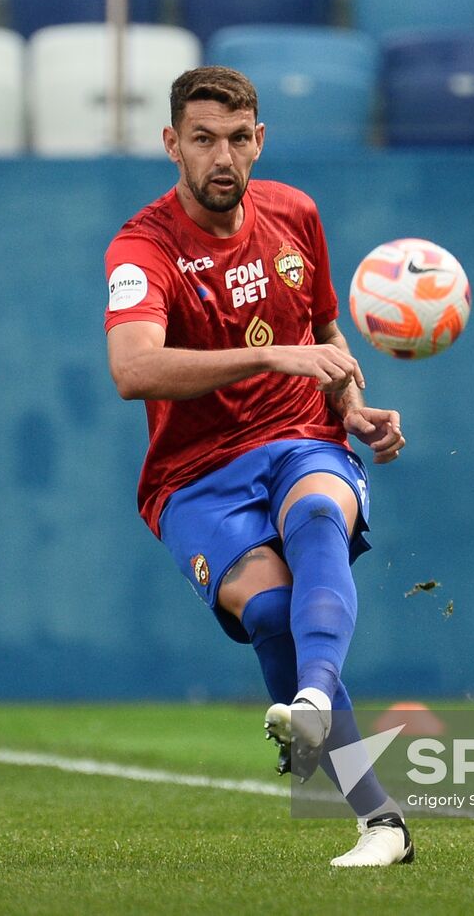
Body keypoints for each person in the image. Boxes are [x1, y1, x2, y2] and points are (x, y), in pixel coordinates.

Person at [105, 66, 413, 867]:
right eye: (203, 139)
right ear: (171, 143)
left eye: (239, 140)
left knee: (317, 514)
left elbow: (325, 337)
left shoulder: (295, 214)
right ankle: (317, 714)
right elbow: (133, 369)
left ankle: (365, 797)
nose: (222, 157)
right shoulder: (143, 247)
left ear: (260, 141)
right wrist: (268, 355)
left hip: (301, 435)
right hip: (194, 475)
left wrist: (349, 405)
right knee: (269, 613)